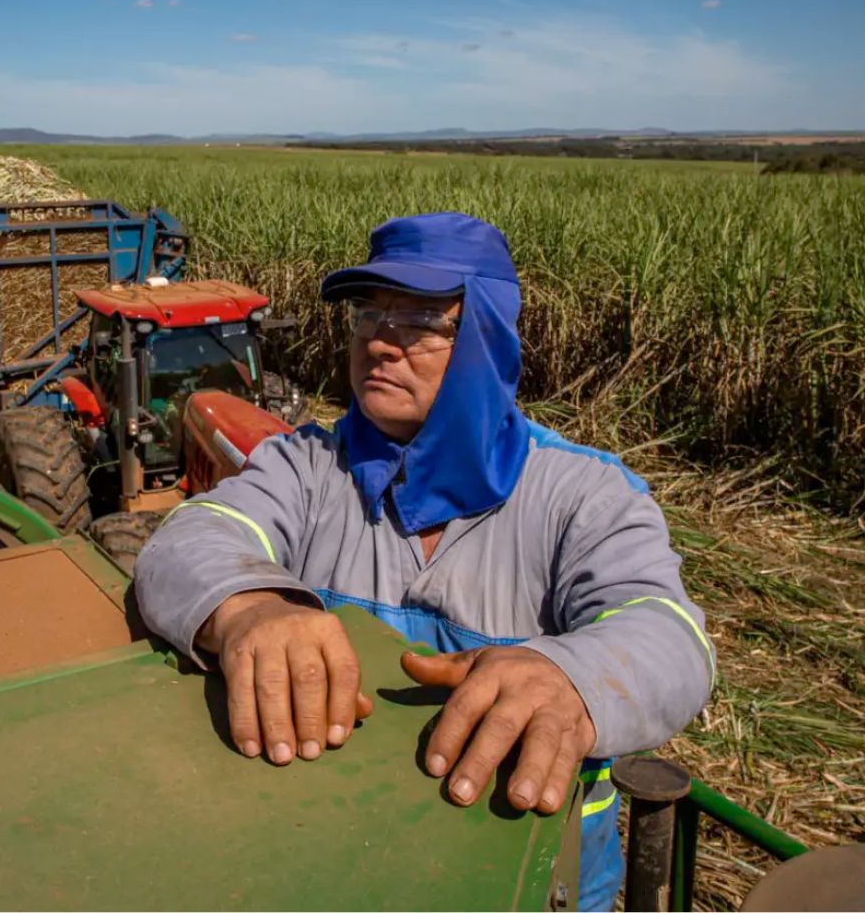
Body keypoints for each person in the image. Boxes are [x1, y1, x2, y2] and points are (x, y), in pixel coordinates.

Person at [134, 212, 714, 911]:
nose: (380, 340)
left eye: (418, 320)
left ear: (484, 340)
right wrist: (250, 605)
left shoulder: (582, 493)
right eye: (368, 313)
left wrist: (570, 674)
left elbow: (668, 631)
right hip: (337, 853)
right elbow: (189, 537)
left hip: (528, 880)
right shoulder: (311, 466)